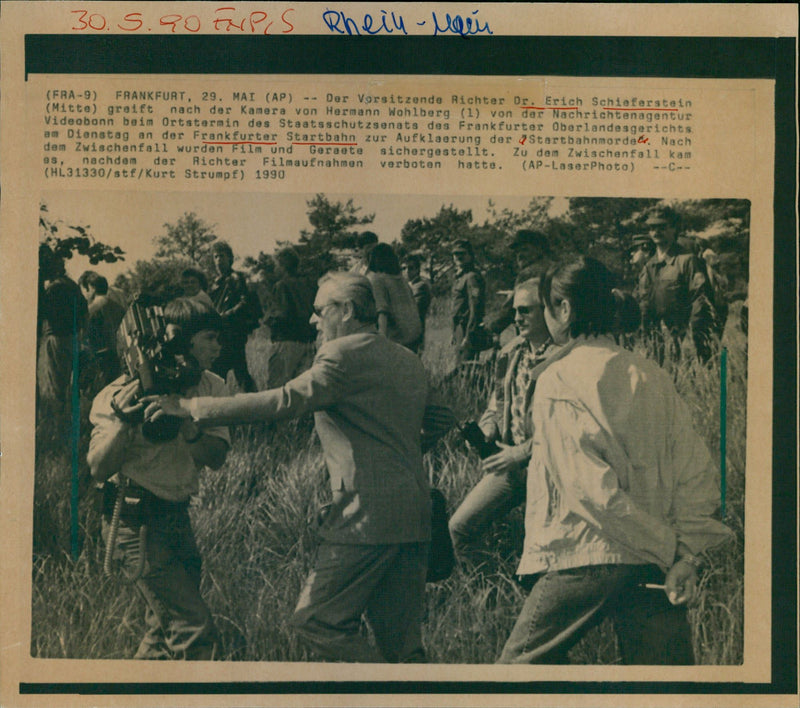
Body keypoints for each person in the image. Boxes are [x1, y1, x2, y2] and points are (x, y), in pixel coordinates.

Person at [145, 272, 454, 663]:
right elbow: (442, 417)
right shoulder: (406, 356)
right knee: (403, 646)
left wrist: (191, 407)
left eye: (319, 310)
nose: (312, 320)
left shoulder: (342, 354)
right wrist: (400, 452)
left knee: (315, 622)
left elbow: (285, 400)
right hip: (415, 513)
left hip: (364, 517)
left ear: (344, 311)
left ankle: (383, 689)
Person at [497, 257, 733, 665]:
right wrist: (683, 554)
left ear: (564, 310)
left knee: (514, 675)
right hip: (653, 562)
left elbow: (592, 493)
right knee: (665, 690)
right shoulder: (652, 374)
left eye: (547, 307)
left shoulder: (557, 378)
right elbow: (698, 474)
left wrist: (670, 546)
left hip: (585, 554)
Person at [87, 297, 230, 660]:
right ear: (180, 340)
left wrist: (185, 421)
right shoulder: (120, 392)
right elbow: (99, 469)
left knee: (161, 634)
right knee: (193, 631)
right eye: (210, 338)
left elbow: (216, 457)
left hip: (176, 517)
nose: (218, 347)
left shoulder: (210, 386)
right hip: (133, 524)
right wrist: (124, 422)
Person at [449, 279, 561, 558]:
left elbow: (567, 431)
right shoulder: (512, 352)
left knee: (547, 550)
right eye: (515, 311)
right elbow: (497, 403)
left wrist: (521, 453)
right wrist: (489, 428)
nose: (516, 318)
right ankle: (493, 584)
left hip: (554, 470)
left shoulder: (565, 358)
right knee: (459, 529)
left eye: (525, 311)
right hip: (512, 468)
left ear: (547, 310)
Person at [637, 205, 716, 364]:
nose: (656, 232)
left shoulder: (687, 260)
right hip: (656, 341)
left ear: (674, 228)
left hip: (683, 340)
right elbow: (644, 302)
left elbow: (700, 301)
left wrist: (692, 337)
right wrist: (646, 335)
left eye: (662, 227)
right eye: (652, 228)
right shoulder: (649, 265)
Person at [37, 244, 88, 420]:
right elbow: (84, 311)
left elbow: (43, 312)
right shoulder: (73, 285)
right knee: (67, 382)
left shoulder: (53, 288)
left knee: (55, 384)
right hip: (72, 337)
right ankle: (66, 418)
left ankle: (57, 420)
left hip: (56, 337)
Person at [208, 241, 260, 392]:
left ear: (230, 258)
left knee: (239, 374)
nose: (218, 260)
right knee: (219, 373)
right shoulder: (215, 283)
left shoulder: (236, 278)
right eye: (216, 257)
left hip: (234, 333)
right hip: (219, 334)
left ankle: (252, 405)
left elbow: (244, 303)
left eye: (222, 256)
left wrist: (225, 316)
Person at [264, 247, 317, 388]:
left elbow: (282, 315)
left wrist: (268, 320)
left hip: (286, 342)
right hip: (308, 342)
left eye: (277, 265)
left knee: (276, 390)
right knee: (301, 391)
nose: (275, 269)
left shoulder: (281, 285)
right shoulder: (309, 284)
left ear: (282, 266)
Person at [487, 229, 553, 336]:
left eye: (524, 250)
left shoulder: (528, 274)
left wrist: (491, 329)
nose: (519, 255)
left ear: (539, 249)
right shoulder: (557, 268)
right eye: (517, 252)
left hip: (536, 334)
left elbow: (509, 310)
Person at [365, 242, 422, 351]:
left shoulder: (377, 280)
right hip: (413, 336)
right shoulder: (402, 280)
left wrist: (381, 344)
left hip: (398, 340)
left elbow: (382, 312)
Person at [78, 270, 127, 397]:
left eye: (84, 290)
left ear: (91, 288)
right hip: (118, 357)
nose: (84, 294)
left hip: (100, 360)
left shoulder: (92, 309)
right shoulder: (118, 305)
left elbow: (82, 337)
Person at [450, 239, 487, 363]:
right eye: (456, 254)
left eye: (462, 253)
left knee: (465, 367)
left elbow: (475, 309)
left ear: (470, 255)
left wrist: (469, 336)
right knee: (459, 365)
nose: (458, 257)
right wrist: (454, 332)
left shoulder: (472, 277)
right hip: (459, 328)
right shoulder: (460, 277)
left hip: (467, 328)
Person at [403, 253, 432, 348]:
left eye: (411, 268)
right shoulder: (405, 285)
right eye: (404, 268)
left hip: (414, 334)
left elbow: (415, 311)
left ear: (417, 270)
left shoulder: (421, 286)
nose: (407, 271)